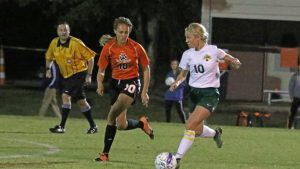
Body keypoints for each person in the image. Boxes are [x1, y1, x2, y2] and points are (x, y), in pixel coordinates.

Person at [169, 23, 241, 169]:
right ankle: (215, 134)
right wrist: (177, 83)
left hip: (209, 94)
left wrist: (235, 61)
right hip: (194, 93)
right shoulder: (187, 54)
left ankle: (176, 160)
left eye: (188, 37)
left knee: (189, 125)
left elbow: (229, 58)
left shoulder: (213, 50)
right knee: (197, 130)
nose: (186, 40)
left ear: (198, 37)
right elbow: (183, 74)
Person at [95, 17, 154, 162]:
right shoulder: (108, 47)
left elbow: (146, 69)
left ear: (129, 32)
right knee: (121, 125)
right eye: (120, 32)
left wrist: (144, 91)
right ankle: (142, 123)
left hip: (131, 82)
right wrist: (99, 83)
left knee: (111, 115)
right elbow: (102, 69)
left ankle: (104, 154)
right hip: (115, 84)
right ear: (115, 31)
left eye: (126, 32)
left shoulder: (136, 47)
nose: (123, 35)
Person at [46, 21, 98, 134]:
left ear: (69, 31)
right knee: (81, 102)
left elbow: (90, 58)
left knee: (65, 95)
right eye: (61, 30)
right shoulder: (54, 43)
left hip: (80, 73)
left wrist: (89, 75)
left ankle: (61, 126)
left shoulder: (76, 43)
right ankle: (93, 126)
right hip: (67, 76)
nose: (63, 32)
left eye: (65, 30)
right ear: (57, 31)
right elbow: (49, 57)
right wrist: (48, 69)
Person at [164, 59, 187, 123]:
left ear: (178, 65)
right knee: (167, 111)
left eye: (175, 64)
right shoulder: (169, 74)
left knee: (180, 110)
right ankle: (167, 123)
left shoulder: (180, 74)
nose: (173, 65)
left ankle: (184, 123)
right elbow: (166, 84)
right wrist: (169, 84)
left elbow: (184, 84)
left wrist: (176, 83)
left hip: (177, 96)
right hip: (169, 96)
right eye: (172, 64)